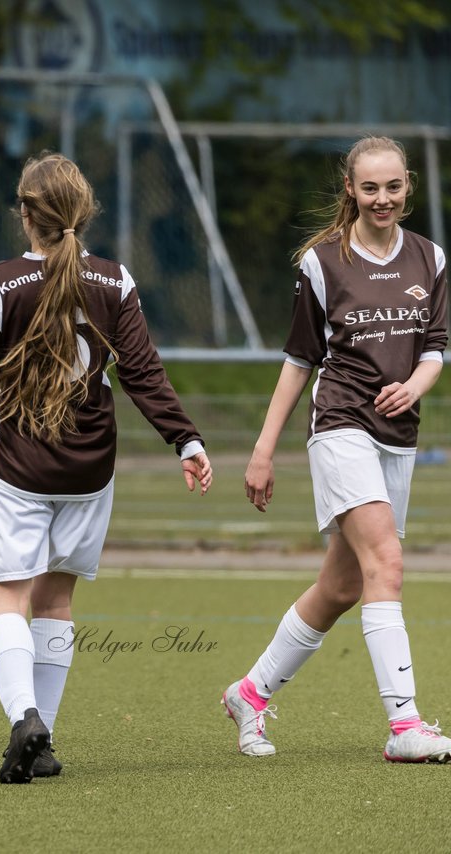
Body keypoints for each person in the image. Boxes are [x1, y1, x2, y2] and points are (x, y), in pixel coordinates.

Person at [0, 153, 212, 783]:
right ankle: (46, 740)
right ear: (81, 212)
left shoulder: (0, 282)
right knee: (55, 599)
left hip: (19, 465)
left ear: (25, 212)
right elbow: (141, 372)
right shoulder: (116, 280)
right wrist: (186, 440)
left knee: (7, 595)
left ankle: (24, 719)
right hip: (90, 469)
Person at [223, 135, 450, 763]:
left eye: (393, 187)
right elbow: (300, 361)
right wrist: (264, 449)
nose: (383, 199)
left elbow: (435, 349)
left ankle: (251, 692)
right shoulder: (322, 265)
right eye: (369, 187)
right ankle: (405, 728)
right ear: (350, 189)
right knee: (387, 562)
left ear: (408, 187)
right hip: (341, 424)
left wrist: (415, 386)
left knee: (343, 585)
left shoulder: (430, 258)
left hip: (397, 437)